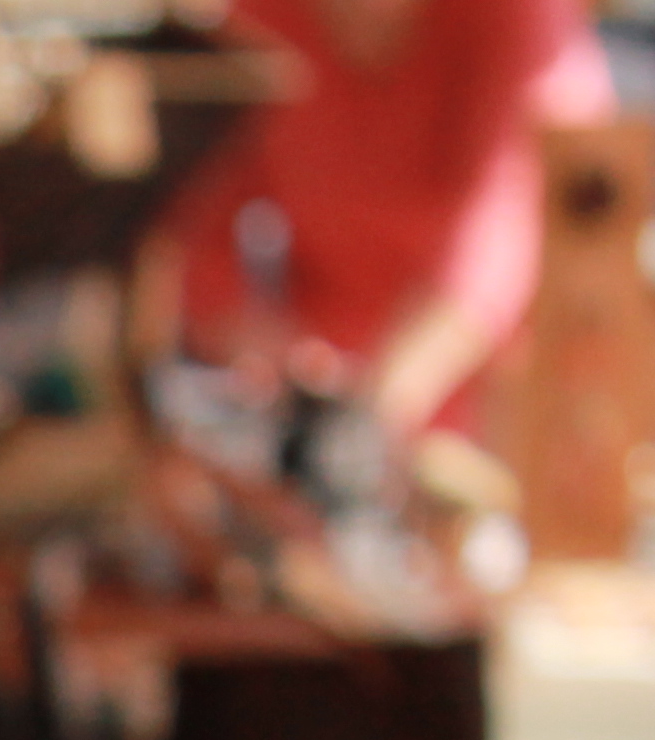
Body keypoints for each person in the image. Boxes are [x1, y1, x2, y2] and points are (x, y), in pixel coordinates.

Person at [149, 0, 618, 435]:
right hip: (323, 392)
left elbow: (498, 244)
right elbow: (201, 218)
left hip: (513, 403)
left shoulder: (519, 18)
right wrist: (260, 350)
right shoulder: (262, 18)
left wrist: (376, 407)